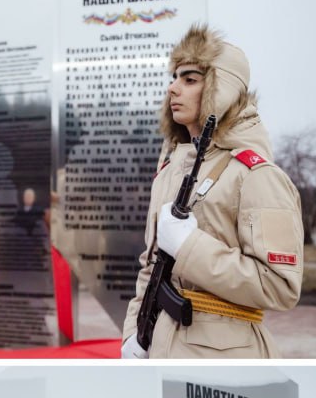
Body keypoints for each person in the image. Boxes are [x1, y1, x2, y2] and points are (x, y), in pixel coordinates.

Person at [122, 24, 303, 359]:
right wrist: (133, 333)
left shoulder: (254, 174)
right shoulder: (170, 171)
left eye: (190, 80)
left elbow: (280, 285)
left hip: (226, 360)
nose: (173, 89)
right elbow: (149, 268)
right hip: (163, 347)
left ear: (221, 89)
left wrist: (192, 247)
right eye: (174, 78)